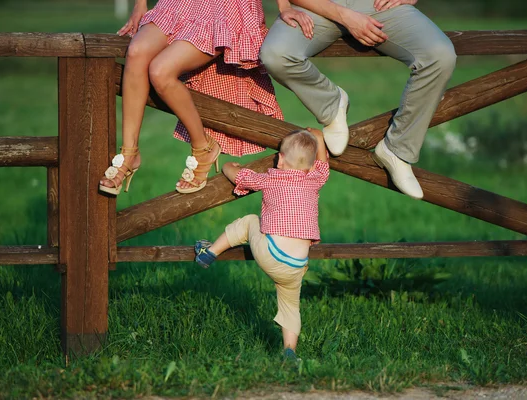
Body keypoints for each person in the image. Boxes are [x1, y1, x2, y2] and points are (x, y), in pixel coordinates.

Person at [98, 0, 314, 195]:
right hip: (178, 4)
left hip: (227, 9)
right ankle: (129, 153)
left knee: (160, 71)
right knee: (136, 52)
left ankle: (203, 147)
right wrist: (140, 5)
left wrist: (284, 6)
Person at [260, 0, 456, 199]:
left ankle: (398, 150)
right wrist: (344, 16)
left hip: (379, 6)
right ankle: (331, 104)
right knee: (276, 54)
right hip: (314, 6)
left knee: (440, 56)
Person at [194, 128, 329, 359]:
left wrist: (230, 166)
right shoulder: (314, 179)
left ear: (281, 159)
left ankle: (209, 252)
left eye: (278, 155)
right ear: (309, 164)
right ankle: (289, 351)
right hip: (297, 266)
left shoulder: (271, 179)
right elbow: (324, 165)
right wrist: (319, 137)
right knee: (290, 307)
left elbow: (239, 177)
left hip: (271, 254)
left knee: (249, 222)